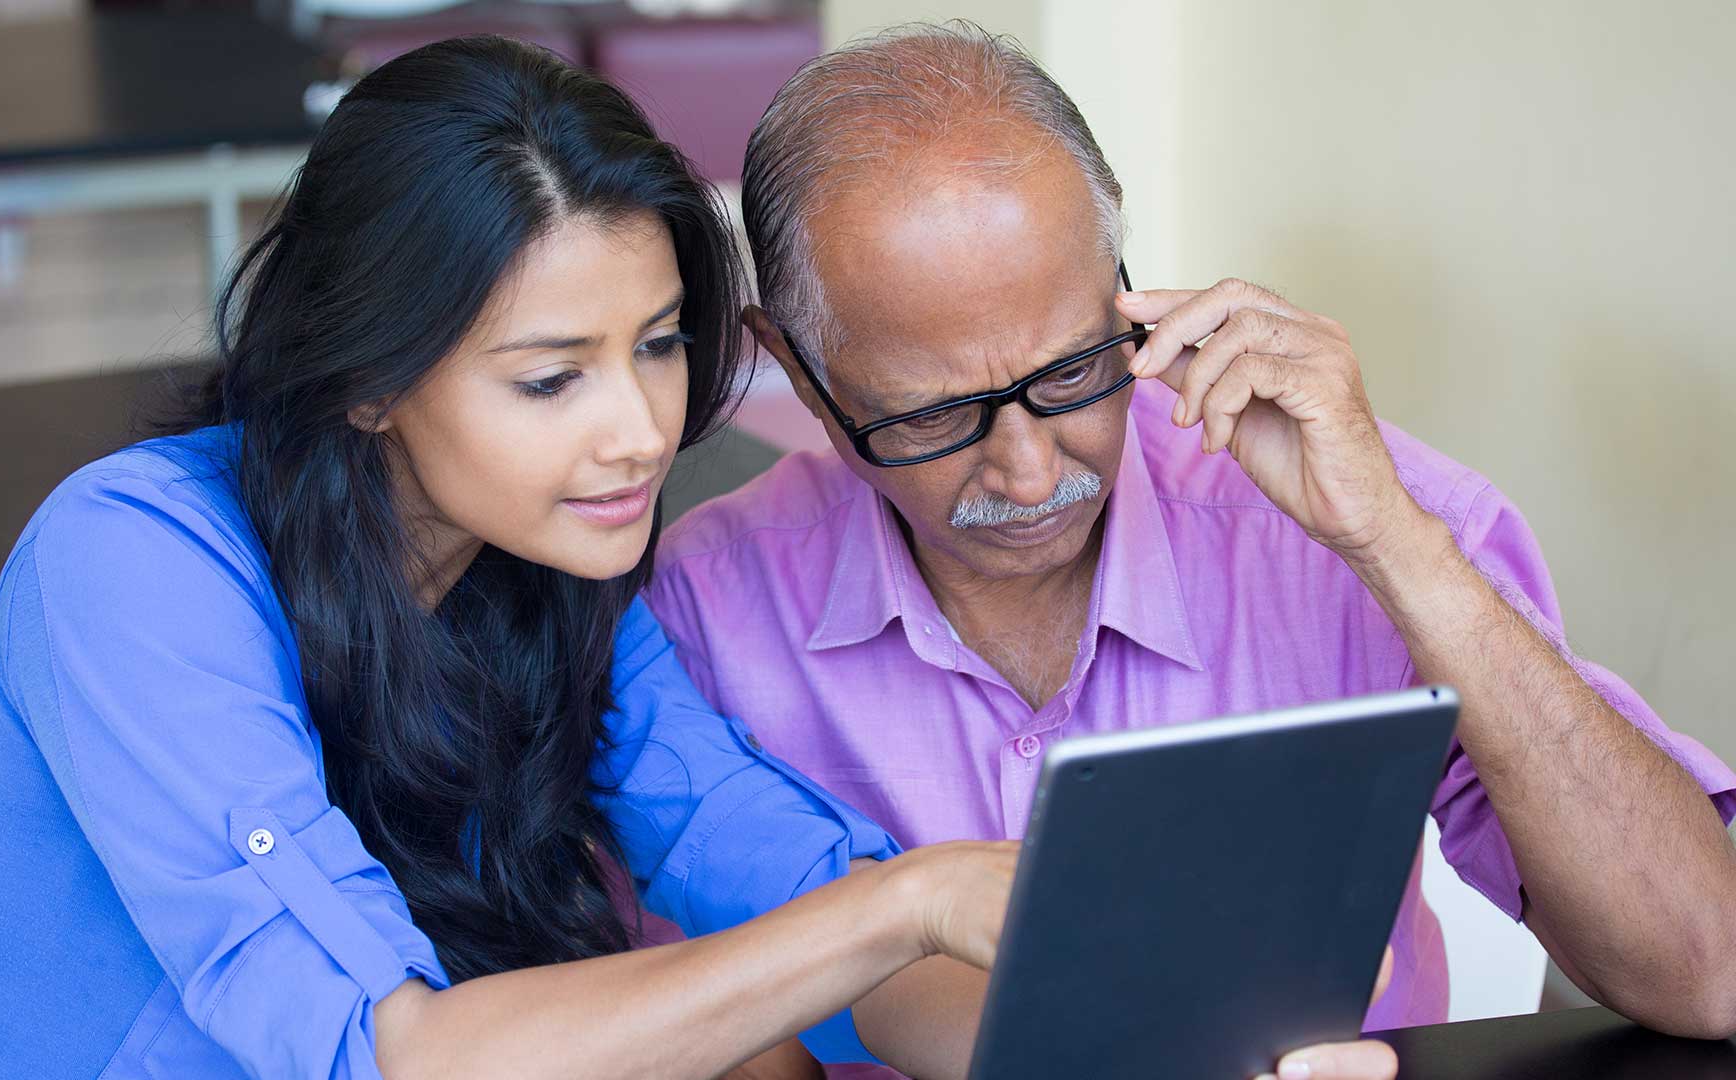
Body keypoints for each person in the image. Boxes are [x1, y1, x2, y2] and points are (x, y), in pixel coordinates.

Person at [0, 37, 1021, 1080]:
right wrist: (909, 902)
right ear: (370, 375)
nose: (641, 432)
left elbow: (774, 871)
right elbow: (387, 1053)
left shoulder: (550, 579)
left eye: (659, 344)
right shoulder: (133, 561)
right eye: (550, 377)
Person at [647, 22, 1736, 1080]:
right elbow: (706, 1033)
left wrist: (1396, 547)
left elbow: (1707, 973)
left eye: (1075, 371)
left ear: (1126, 280)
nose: (1030, 474)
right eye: (933, 418)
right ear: (796, 370)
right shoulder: (701, 612)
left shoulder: (1349, 512)